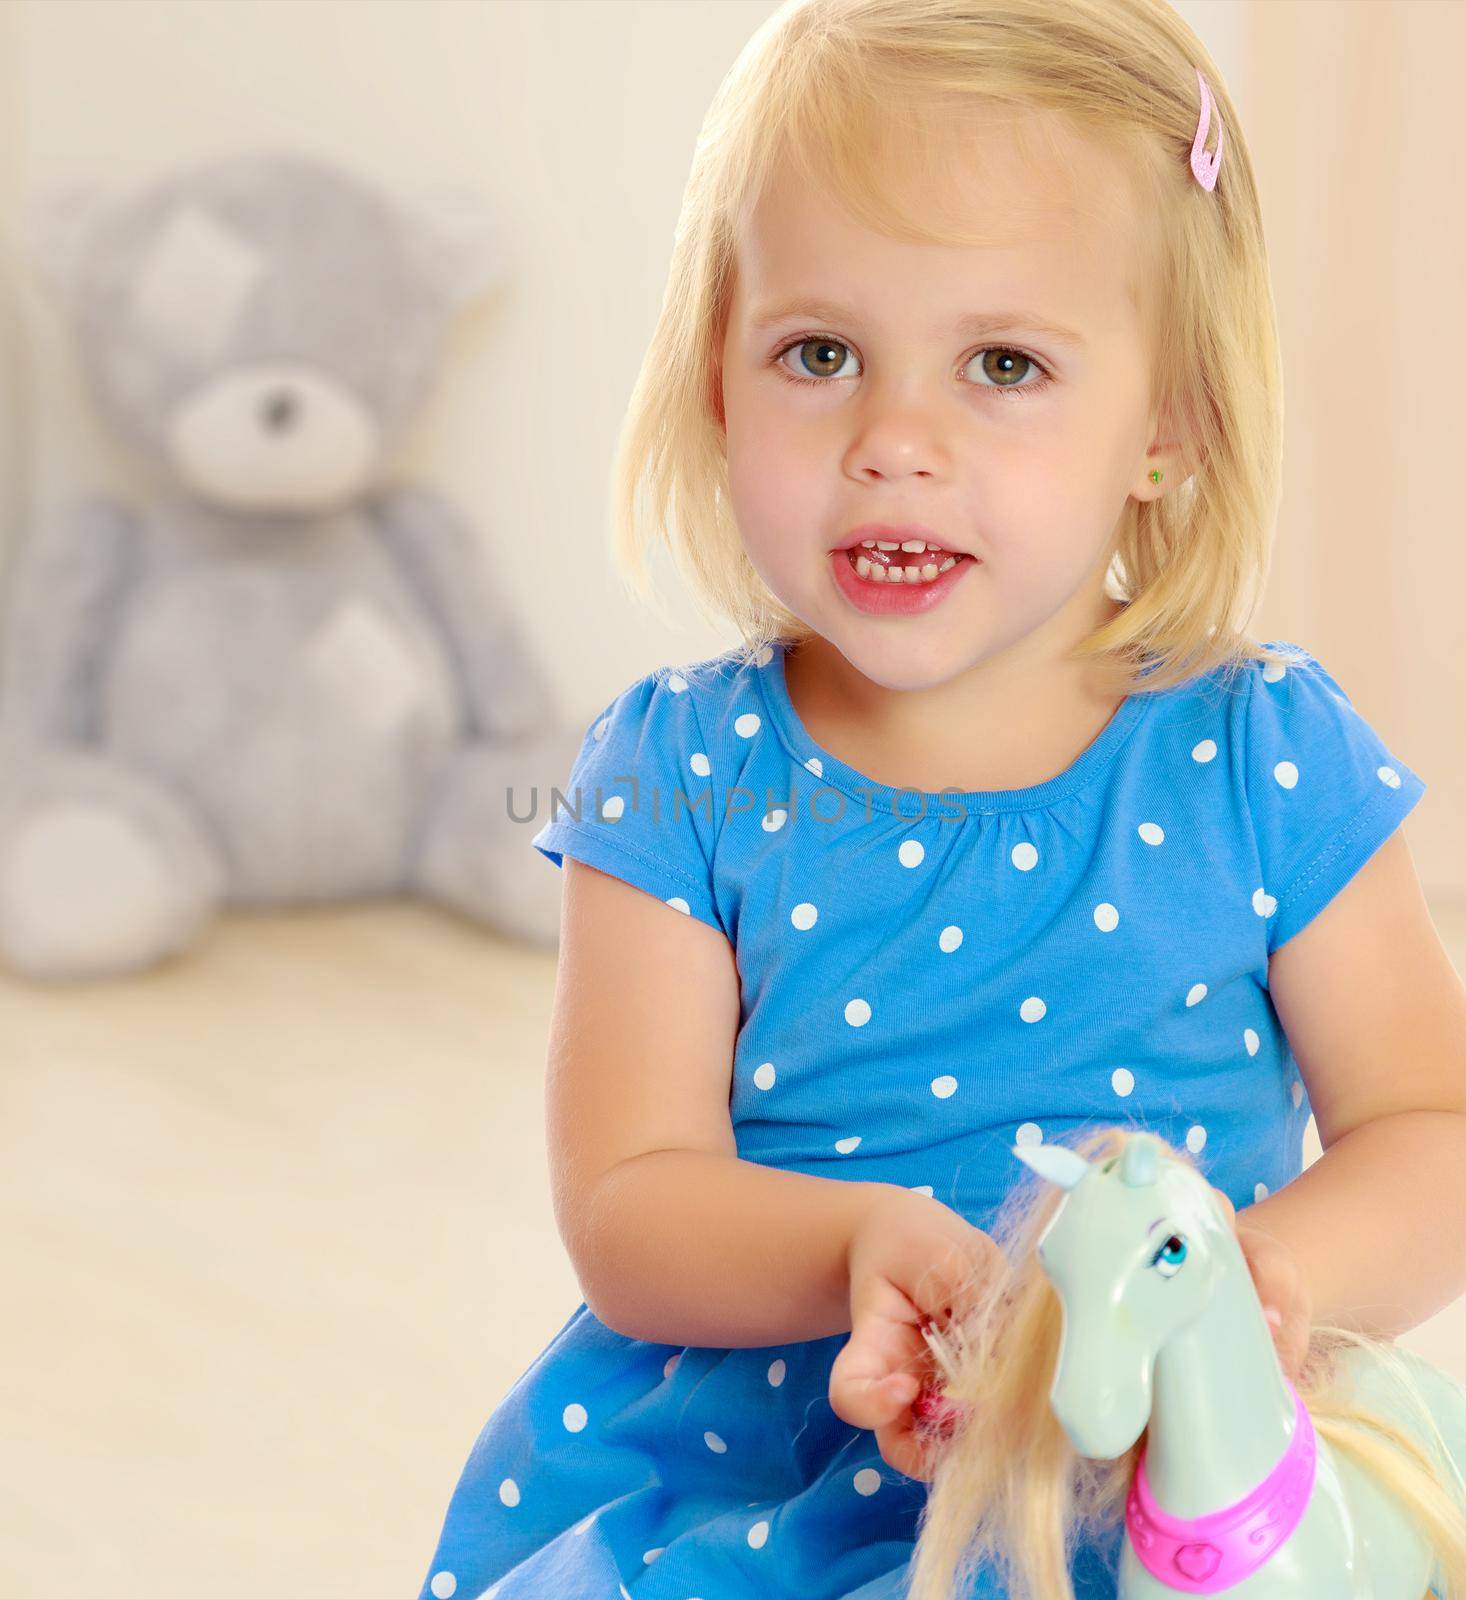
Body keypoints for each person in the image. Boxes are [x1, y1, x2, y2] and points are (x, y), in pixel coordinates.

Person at [416, 1, 1438, 1595]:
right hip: (776, 1462)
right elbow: (626, 1201)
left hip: (1181, 1457)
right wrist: (846, 1246)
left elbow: (1427, 1129)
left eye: (1003, 365)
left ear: (1163, 426)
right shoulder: (682, 772)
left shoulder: (1259, 755)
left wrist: (1246, 1283)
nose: (895, 440)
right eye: (819, 354)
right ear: (715, 380)